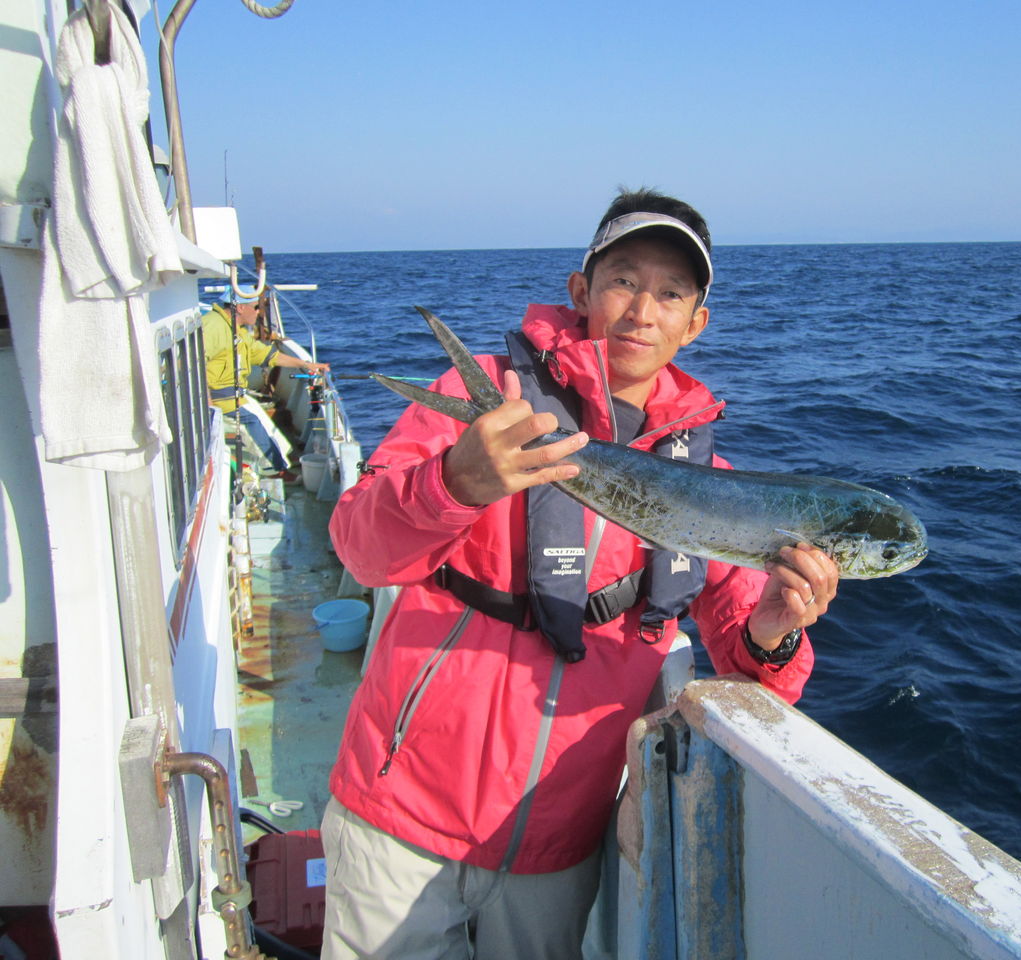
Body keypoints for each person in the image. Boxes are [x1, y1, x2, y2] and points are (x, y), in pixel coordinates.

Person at [322, 188, 839, 960]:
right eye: (624, 280)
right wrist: (454, 482)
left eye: (670, 293)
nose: (642, 310)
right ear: (581, 291)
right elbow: (361, 549)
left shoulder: (709, 481)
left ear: (695, 323)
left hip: (556, 850)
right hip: (399, 814)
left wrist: (772, 635)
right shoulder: (490, 403)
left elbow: (752, 670)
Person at [202, 288, 329, 481]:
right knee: (251, 421)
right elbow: (195, 363)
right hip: (219, 399)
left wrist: (306, 364)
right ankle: (275, 470)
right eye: (256, 307)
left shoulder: (237, 331)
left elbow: (267, 355)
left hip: (233, 395)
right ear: (241, 307)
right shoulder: (213, 327)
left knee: (258, 415)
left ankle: (283, 457)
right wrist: (208, 403)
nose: (259, 312)